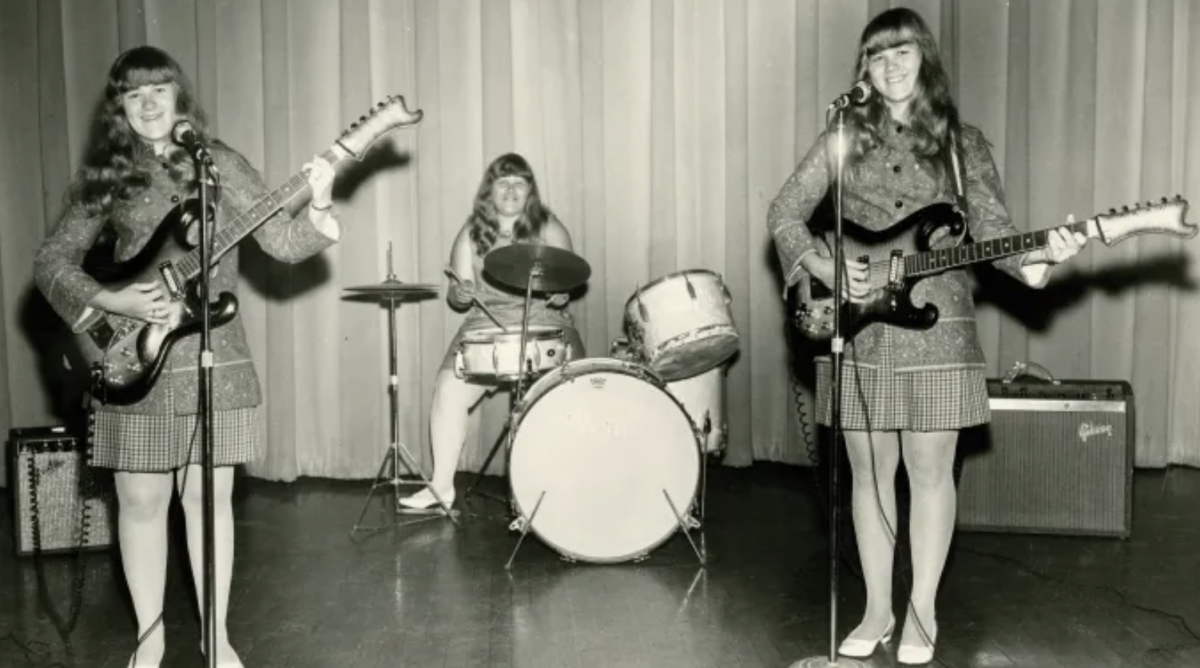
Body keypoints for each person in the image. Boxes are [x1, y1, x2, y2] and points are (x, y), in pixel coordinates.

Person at [766, 8, 1087, 665]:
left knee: (931, 470)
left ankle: (921, 610)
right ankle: (876, 609)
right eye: (877, 54)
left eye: (903, 51)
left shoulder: (962, 145)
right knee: (867, 474)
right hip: (858, 329)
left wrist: (1040, 258)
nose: (890, 66)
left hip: (939, 327)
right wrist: (824, 266)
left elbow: (995, 234)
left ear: (925, 59)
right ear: (864, 68)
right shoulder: (842, 137)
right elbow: (785, 211)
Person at [33, 46, 341, 668]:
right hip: (135, 358)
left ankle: (215, 637)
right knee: (141, 503)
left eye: (158, 88)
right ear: (119, 107)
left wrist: (320, 203)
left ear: (179, 95)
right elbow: (51, 262)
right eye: (133, 93)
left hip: (213, 356)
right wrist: (111, 297)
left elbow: (281, 242)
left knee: (208, 503)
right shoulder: (109, 176)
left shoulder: (219, 163)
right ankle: (149, 640)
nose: (148, 103)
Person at [399, 153, 585, 510]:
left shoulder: (549, 226)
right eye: (503, 183)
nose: (511, 190)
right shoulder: (472, 232)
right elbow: (457, 295)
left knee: (565, 401)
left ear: (530, 190)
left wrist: (562, 293)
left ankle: (561, 488)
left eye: (520, 183)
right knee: (448, 390)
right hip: (486, 324)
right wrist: (460, 293)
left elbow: (568, 280)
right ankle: (441, 486)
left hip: (544, 322)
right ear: (490, 190)